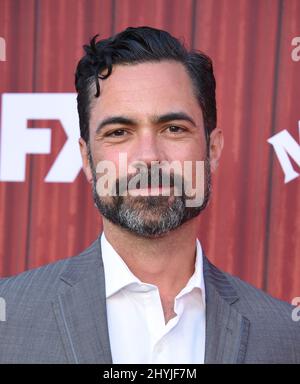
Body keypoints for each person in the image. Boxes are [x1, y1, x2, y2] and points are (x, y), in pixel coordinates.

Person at [0, 26, 299, 364]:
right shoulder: (8, 320)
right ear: (86, 159)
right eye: (119, 132)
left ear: (213, 149)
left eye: (173, 129)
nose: (148, 157)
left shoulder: (286, 336)